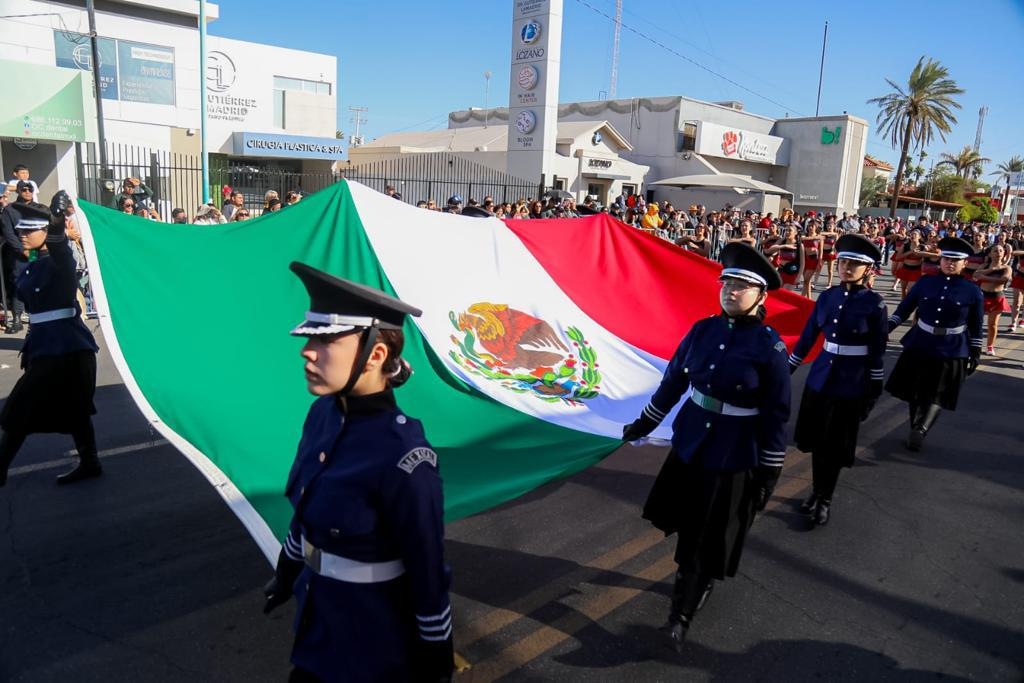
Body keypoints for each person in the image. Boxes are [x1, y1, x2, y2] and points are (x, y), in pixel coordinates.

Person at [262, 263, 453, 682]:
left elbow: (427, 569)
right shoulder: (322, 415)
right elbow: (308, 508)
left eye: (325, 339)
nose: (307, 350)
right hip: (318, 620)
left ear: (376, 355)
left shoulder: (404, 457)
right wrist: (287, 569)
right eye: (310, 336)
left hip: (374, 646)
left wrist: (437, 656)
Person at [621, 242, 790, 649]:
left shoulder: (769, 347)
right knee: (689, 524)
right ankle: (697, 580)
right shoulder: (702, 330)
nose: (731, 291)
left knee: (704, 535)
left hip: (733, 454)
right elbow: (673, 381)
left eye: (742, 286)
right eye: (727, 283)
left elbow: (775, 415)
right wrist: (645, 421)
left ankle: (680, 616)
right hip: (691, 443)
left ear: (761, 296)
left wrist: (769, 471)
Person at [0, 191, 101, 487]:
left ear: (46, 231)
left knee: (18, 408)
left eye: (30, 230)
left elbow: (59, 252)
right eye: (21, 230)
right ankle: (90, 461)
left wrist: (57, 228)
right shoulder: (32, 264)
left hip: (68, 348)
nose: (23, 235)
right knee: (76, 410)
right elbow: (25, 279)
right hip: (47, 348)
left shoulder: (61, 262)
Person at [787, 235, 887, 527]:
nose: (846, 268)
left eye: (854, 264)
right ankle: (817, 491)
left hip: (851, 381)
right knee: (818, 441)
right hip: (821, 378)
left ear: (868, 269)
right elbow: (808, 337)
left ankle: (825, 498)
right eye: (843, 262)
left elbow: (877, 349)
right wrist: (789, 368)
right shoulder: (828, 296)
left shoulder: (874, 304)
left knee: (834, 445)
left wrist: (873, 386)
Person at [885, 237, 983, 452]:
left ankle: (921, 429)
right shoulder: (925, 282)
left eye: (956, 260)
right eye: (946, 258)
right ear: (940, 260)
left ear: (964, 263)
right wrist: (887, 328)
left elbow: (976, 324)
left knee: (938, 392)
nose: (950, 263)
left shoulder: (972, 291)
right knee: (915, 390)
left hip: (951, 346)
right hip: (921, 342)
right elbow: (904, 309)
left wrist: (975, 350)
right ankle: (915, 425)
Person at [973, 243, 1012, 355]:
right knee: (976, 322)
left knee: (993, 324)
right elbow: (975, 275)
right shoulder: (984, 265)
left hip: (997, 297)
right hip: (982, 296)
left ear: (1004, 253)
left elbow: (1003, 280)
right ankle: (974, 344)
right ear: (990, 254)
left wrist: (984, 277)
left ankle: (990, 346)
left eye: (1001, 251)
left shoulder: (1006, 268)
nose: (998, 253)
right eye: (995, 251)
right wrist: (992, 269)